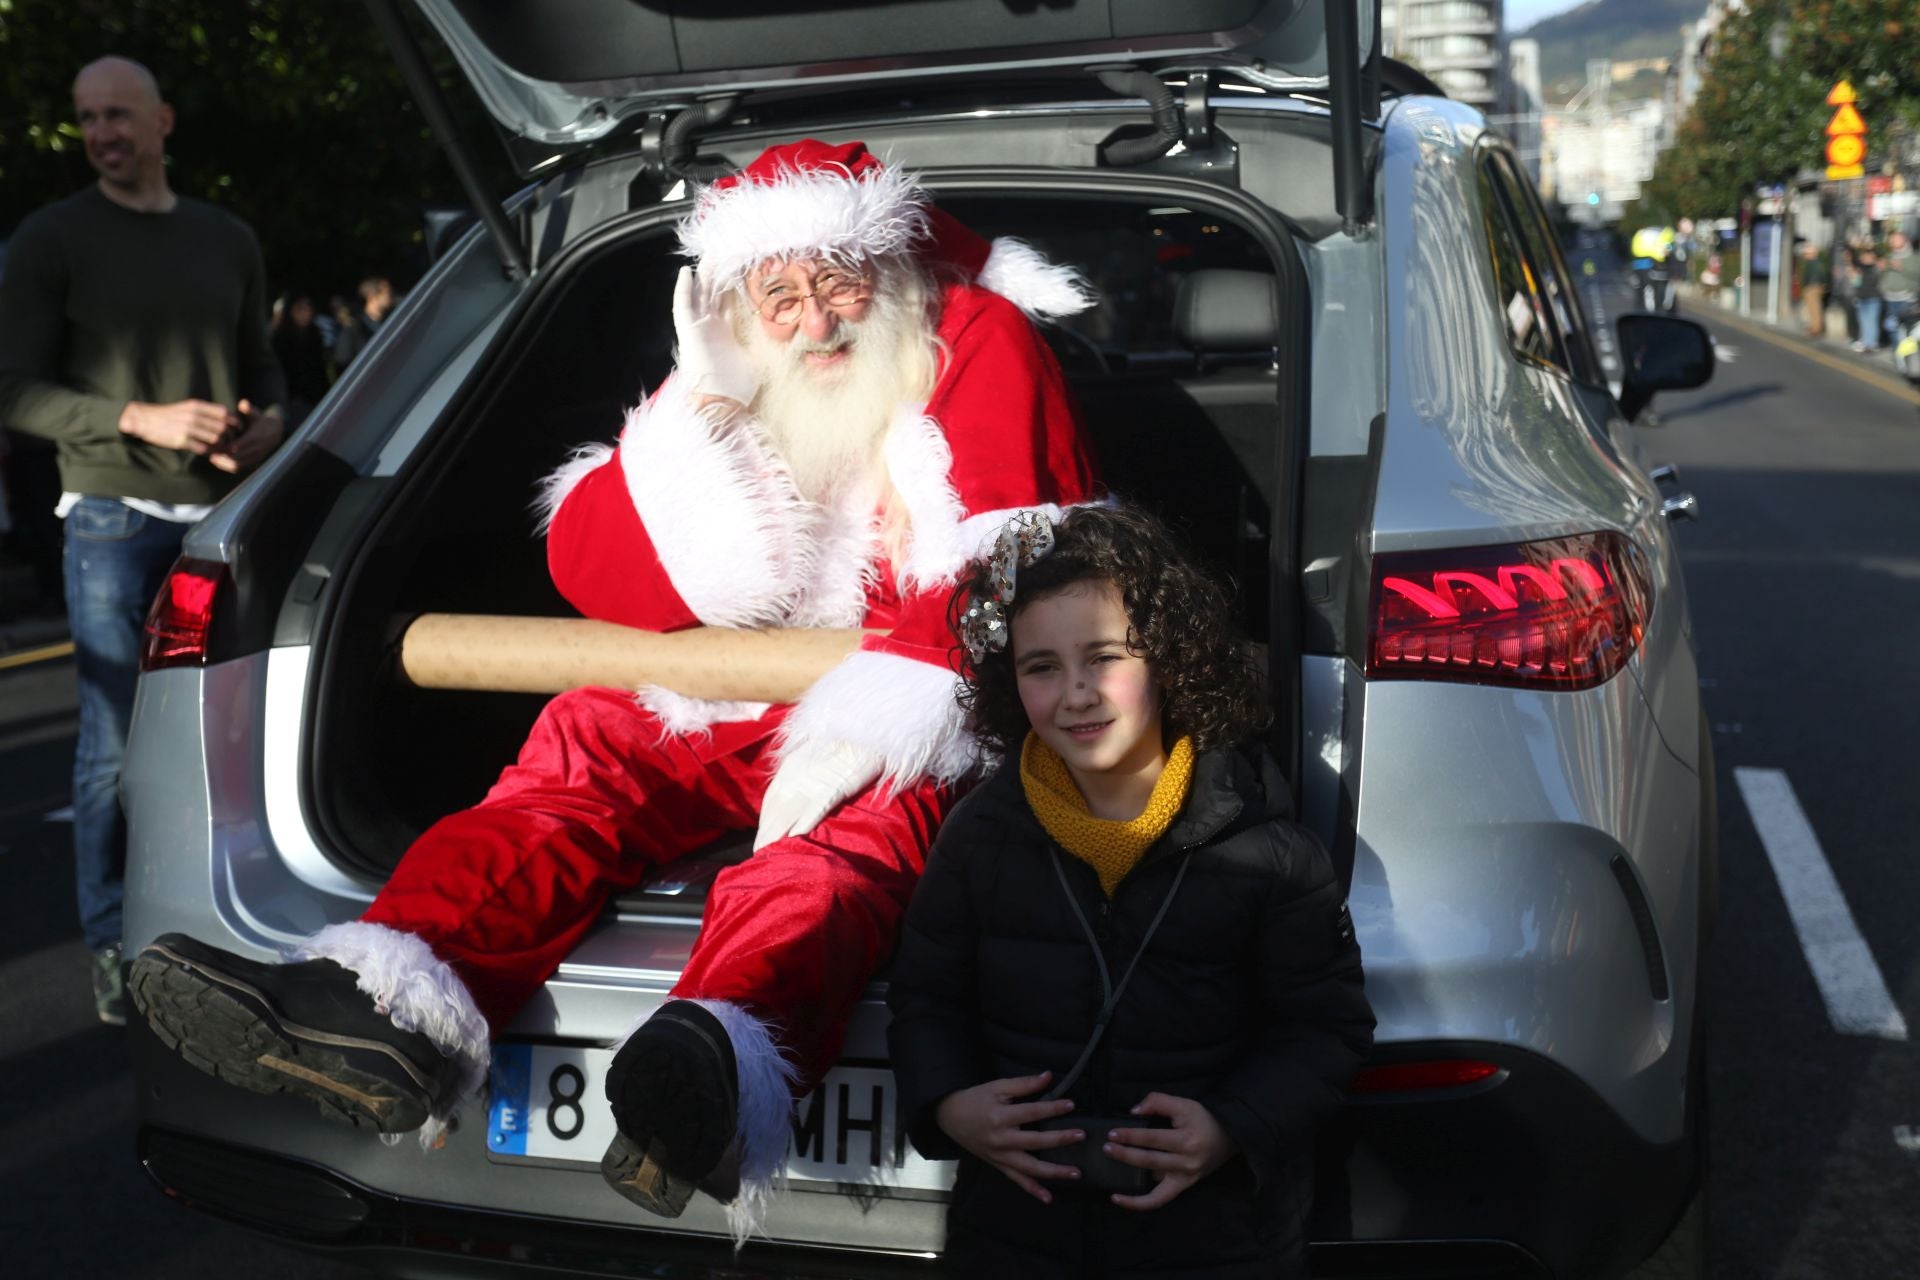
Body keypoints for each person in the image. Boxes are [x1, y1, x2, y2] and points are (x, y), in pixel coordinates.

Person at [129, 139, 1098, 1234]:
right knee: (580, 745)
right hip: (734, 691)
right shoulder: (737, 365)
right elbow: (596, 574)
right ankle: (387, 1002)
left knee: (839, 853)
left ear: (887, 270)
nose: (816, 320)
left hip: (921, 699)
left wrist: (876, 719)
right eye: (779, 295)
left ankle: (708, 1063)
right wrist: (697, 409)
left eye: (837, 281)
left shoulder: (972, 338)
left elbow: (1011, 562)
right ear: (737, 304)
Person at [886, 504, 1374, 1278]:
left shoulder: (1268, 850)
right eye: (1041, 666)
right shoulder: (981, 837)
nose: (1076, 693)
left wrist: (1231, 1126)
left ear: (1170, 659)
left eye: (1105, 657)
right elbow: (925, 999)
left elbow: (1325, 1031)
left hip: (1212, 1245)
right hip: (1014, 1240)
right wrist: (949, 1103)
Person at [0, 56, 286, 1024]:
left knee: (228, 737)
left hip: (220, 518)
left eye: (117, 114)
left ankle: (223, 930)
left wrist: (270, 423)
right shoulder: (50, 239)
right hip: (110, 519)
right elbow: (11, 389)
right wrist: (140, 418)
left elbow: (266, 370)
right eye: (86, 118)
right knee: (113, 744)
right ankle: (113, 943)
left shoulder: (227, 237)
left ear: (163, 120)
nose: (101, 132)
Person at [271, 294, 331, 424]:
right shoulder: (279, 339)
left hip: (315, 398)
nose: (306, 312)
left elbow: (320, 369)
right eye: (300, 308)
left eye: (308, 307)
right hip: (290, 400)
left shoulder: (315, 336)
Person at [330, 275, 396, 370]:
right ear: (372, 297)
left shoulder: (393, 318)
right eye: (386, 293)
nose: (391, 295)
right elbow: (343, 361)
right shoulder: (354, 330)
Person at [1852, 246, 1882, 353]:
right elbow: (1853, 258)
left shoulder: (1877, 268)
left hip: (1873, 299)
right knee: (1864, 322)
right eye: (1864, 256)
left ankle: (1871, 344)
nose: (1866, 258)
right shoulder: (1860, 268)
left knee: (1871, 322)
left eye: (1869, 257)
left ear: (1873, 257)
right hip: (1861, 298)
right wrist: (1858, 245)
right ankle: (1866, 342)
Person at [1797, 241, 1829, 338]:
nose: (1805, 255)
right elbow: (1823, 275)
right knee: (1814, 308)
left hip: (1812, 287)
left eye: (1806, 253)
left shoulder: (1812, 263)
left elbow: (1806, 277)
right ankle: (1814, 326)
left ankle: (1816, 329)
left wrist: (1805, 286)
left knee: (1814, 308)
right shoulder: (1818, 263)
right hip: (1816, 287)